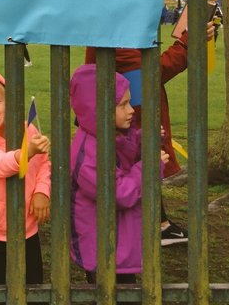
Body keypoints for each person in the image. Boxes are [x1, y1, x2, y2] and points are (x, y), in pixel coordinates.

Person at [84, 18, 214, 245]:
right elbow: (151, 71)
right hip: (124, 114)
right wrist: (187, 43)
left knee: (139, 163)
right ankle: (141, 227)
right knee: (132, 166)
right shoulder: (113, 31)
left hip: (130, 110)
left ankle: (158, 223)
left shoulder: (121, 26)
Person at [69, 64, 168, 284]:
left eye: (129, 102)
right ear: (99, 109)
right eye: (123, 104)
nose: (132, 109)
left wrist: (144, 139)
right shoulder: (89, 155)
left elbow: (123, 153)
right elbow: (119, 193)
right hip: (101, 246)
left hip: (113, 240)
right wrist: (149, 167)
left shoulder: (103, 135)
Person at [0, 70, 51, 285]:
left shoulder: (28, 130)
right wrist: (26, 152)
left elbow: (45, 164)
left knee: (32, 284)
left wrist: (42, 191)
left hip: (27, 228)